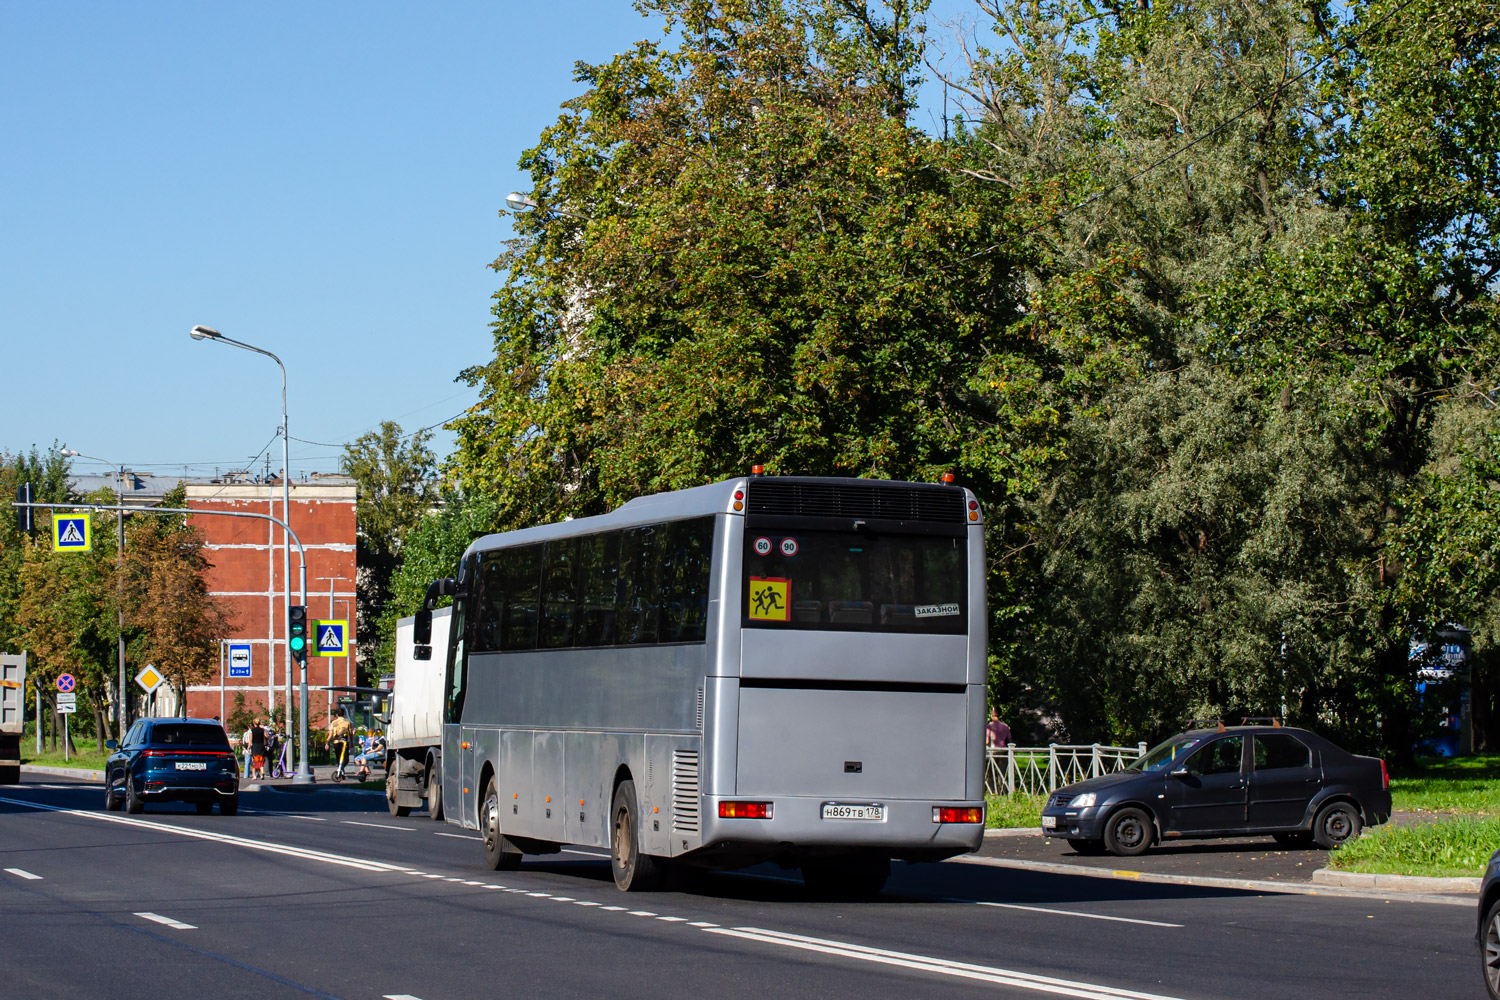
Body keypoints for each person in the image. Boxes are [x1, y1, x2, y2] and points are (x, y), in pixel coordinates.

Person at [328, 710, 353, 781]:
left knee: (339, 758)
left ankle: (340, 771)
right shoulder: (347, 722)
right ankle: (340, 770)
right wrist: (351, 743)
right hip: (344, 742)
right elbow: (350, 733)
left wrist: (327, 743)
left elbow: (330, 734)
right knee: (346, 759)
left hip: (336, 742)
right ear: (344, 714)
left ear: (337, 714)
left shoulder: (333, 722)